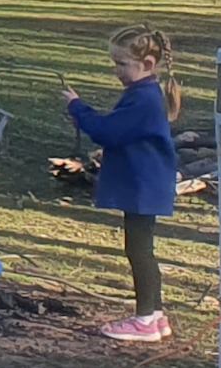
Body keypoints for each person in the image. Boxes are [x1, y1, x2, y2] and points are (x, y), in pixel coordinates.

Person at [65, 26, 182, 344]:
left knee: (139, 250)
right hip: (146, 183)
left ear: (147, 63)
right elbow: (115, 129)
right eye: (115, 63)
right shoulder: (143, 94)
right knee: (143, 249)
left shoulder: (144, 99)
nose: (117, 71)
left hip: (143, 185)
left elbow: (108, 132)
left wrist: (78, 106)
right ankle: (156, 316)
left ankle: (145, 318)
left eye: (122, 64)